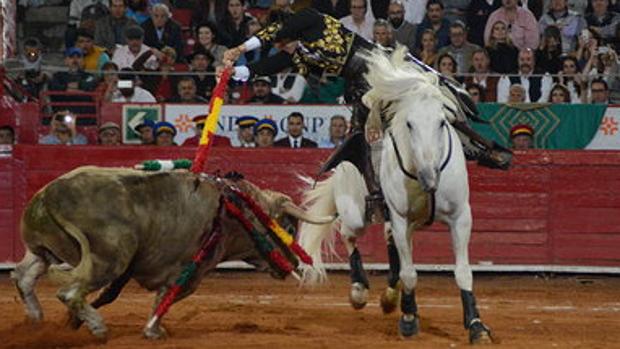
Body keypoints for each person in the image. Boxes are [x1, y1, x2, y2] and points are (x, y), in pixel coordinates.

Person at [221, 6, 511, 214]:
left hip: (379, 66)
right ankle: (376, 194)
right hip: (361, 86)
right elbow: (268, 66)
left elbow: (276, 32)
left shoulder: (310, 19)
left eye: (283, 42)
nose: (283, 48)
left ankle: (480, 147)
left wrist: (241, 48)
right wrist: (235, 71)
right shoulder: (302, 56)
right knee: (362, 136)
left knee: (433, 95)